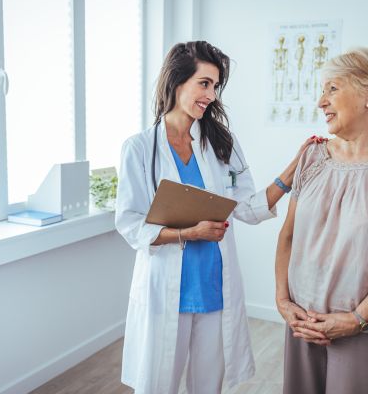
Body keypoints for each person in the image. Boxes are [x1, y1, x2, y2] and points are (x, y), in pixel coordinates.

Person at [115, 40, 317, 394]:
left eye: (215, 85)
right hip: (166, 291)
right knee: (156, 385)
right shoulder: (139, 148)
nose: (211, 94)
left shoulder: (220, 143)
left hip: (213, 287)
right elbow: (130, 223)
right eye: (203, 83)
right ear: (177, 82)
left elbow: (249, 208)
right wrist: (188, 233)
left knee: (208, 387)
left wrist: (294, 167)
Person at [275, 47, 368, 394]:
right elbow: (287, 236)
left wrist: (358, 319)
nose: (320, 102)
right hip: (301, 325)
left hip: (357, 332)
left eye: (332, 89)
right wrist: (283, 301)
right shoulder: (312, 157)